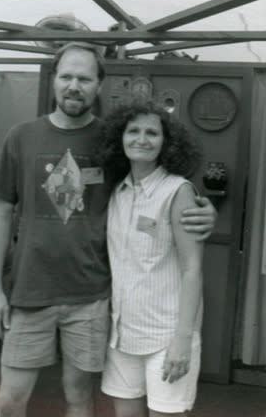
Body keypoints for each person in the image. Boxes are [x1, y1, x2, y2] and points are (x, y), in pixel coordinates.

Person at [0, 41, 216, 417]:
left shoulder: (116, 139)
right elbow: (0, 212)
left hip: (92, 296)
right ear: (54, 82)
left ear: (99, 85)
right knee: (10, 400)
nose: (74, 86)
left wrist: (206, 213)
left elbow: (159, 185)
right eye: (66, 76)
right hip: (29, 292)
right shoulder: (21, 136)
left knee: (79, 397)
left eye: (84, 78)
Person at [98, 102, 204, 417]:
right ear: (120, 137)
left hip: (167, 336)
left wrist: (183, 340)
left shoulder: (178, 191)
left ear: (166, 142)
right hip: (122, 334)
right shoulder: (118, 191)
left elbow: (192, 268)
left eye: (152, 133)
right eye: (133, 131)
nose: (141, 139)